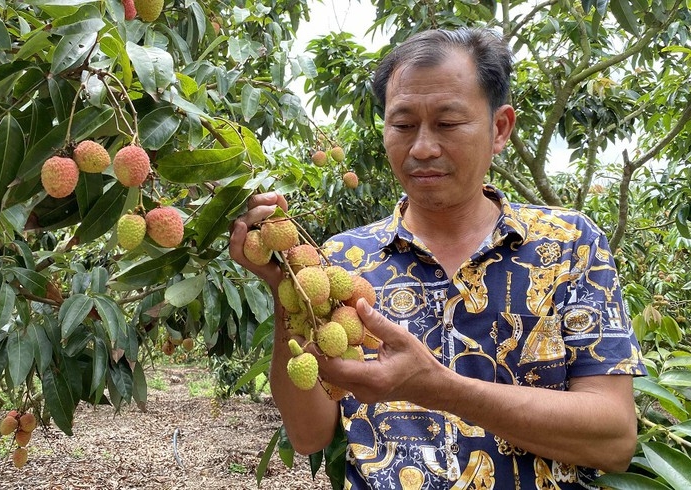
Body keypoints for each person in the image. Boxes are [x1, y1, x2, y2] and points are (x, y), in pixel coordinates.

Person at [230, 27, 645, 489]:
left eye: (448, 123)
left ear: (500, 128)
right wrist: (285, 286)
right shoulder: (339, 263)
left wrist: (436, 387)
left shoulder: (570, 245)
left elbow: (614, 438)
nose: (422, 147)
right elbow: (309, 435)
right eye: (403, 125)